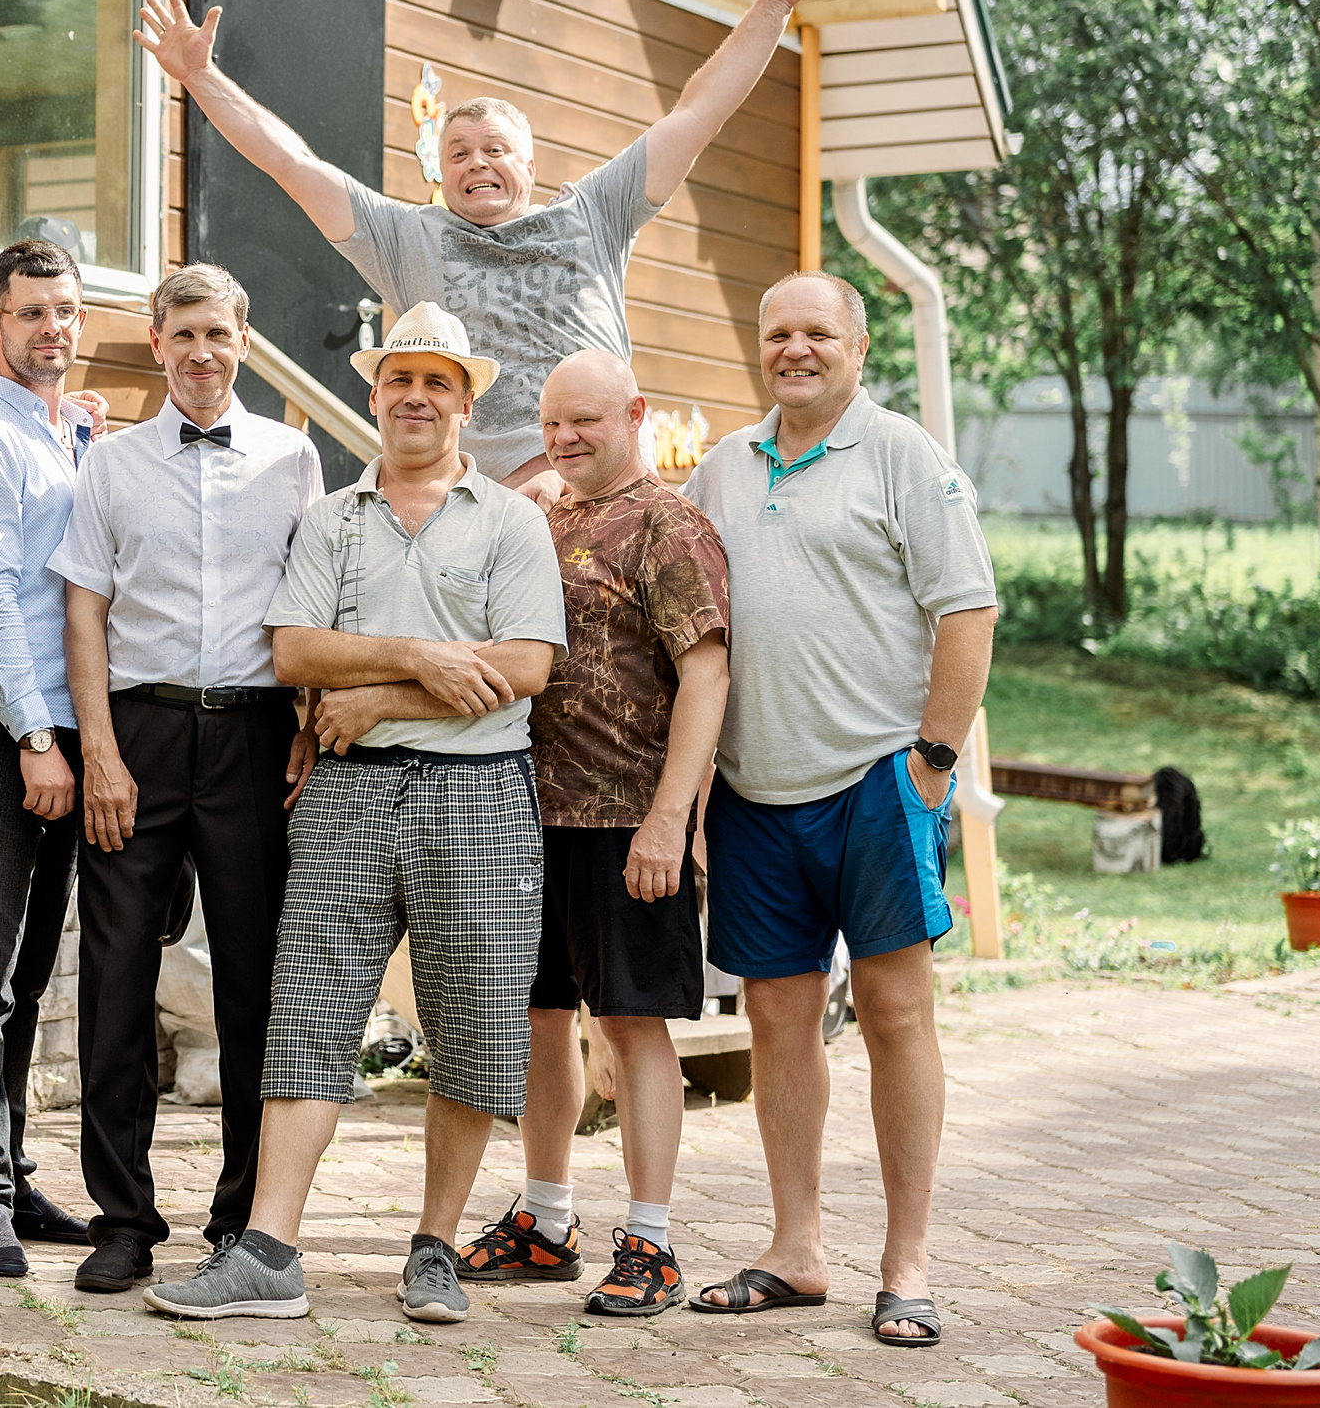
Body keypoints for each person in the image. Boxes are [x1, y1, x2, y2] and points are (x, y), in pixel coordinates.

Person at [144, 301, 566, 1327]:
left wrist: (376, 693)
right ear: (375, 397)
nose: (414, 398)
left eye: (436, 383)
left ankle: (433, 1251)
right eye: (398, 381)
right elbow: (293, 651)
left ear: (465, 404)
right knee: (309, 1017)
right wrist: (421, 658)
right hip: (346, 796)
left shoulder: (512, 520)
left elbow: (524, 667)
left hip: (478, 796)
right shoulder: (331, 516)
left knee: (468, 1029)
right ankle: (269, 1254)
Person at [133, 0, 831, 492]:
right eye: (458, 154)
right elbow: (292, 163)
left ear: (530, 163)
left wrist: (773, 5)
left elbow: (697, 113)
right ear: (440, 171)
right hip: (494, 511)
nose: (477, 164)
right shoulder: (407, 236)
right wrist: (199, 77)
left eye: (495, 149)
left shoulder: (593, 212)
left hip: (614, 491)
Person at [679, 272, 998, 1348]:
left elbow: (967, 606)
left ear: (856, 349)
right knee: (777, 1019)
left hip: (875, 780)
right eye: (778, 333)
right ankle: (796, 1248)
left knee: (897, 1012)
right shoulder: (722, 466)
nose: (796, 348)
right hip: (753, 790)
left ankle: (905, 1260)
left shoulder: (904, 455)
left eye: (818, 332)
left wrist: (934, 764)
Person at [50, 263, 324, 1296]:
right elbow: (83, 610)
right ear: (155, 343)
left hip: (255, 740)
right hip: (142, 738)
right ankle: (122, 1220)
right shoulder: (112, 466)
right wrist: (101, 753)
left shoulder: (293, 460)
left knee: (254, 985)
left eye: (218, 333)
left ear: (241, 340)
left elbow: (310, 605)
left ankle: (239, 1221)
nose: (202, 353)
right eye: (183, 335)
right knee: (115, 980)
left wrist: (304, 724)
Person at [458, 350, 729, 1318]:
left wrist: (668, 819)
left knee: (629, 1023)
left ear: (635, 414)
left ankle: (650, 1242)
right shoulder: (542, 518)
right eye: (551, 423)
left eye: (586, 421)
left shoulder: (668, 523)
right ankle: (544, 1219)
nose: (565, 438)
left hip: (624, 823)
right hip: (526, 817)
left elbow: (706, 675)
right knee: (537, 1019)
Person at [0, 239, 108, 1278]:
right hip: (3, 725)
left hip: (75, 724)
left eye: (67, 311)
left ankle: (12, 1165)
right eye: (32, 311)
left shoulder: (75, 432)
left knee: (35, 969)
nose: (53, 328)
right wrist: (36, 738)